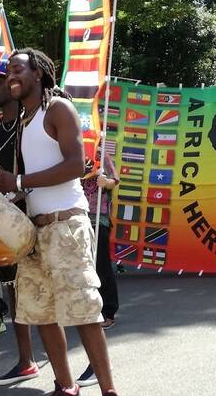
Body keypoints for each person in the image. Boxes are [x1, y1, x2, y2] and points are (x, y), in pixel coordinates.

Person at [0, 49, 117, 396]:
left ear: (38, 73)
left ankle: (108, 391)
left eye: (17, 70)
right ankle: (65, 385)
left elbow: (77, 164)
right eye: (8, 71)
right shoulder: (23, 123)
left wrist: (19, 182)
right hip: (35, 231)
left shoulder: (56, 108)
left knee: (84, 312)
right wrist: (6, 194)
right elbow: (27, 181)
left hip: (65, 226)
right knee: (41, 313)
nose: (10, 76)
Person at [0, 64, 39, 384]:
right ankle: (26, 360)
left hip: (37, 213)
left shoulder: (30, 123)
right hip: (9, 222)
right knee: (15, 292)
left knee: (57, 288)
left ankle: (83, 358)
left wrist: (18, 190)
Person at [76, 152, 120, 388]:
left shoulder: (101, 154)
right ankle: (94, 309)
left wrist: (107, 183)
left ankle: (109, 311)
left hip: (98, 218)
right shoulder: (72, 154)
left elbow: (116, 179)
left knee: (102, 266)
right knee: (85, 269)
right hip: (79, 217)